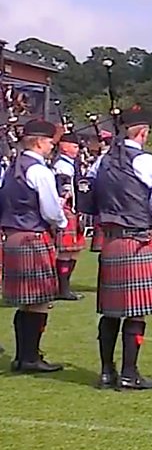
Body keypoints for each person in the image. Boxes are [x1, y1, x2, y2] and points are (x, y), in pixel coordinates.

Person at [91, 107, 152, 389]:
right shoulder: (150, 163)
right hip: (136, 241)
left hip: (110, 241)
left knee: (110, 311)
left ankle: (105, 372)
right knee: (136, 311)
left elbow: (89, 198)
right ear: (143, 133)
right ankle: (129, 373)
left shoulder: (101, 161)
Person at [1, 119, 69, 373]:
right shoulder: (39, 171)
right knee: (39, 300)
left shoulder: (12, 167)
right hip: (33, 236)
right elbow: (51, 210)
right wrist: (61, 221)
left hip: (13, 236)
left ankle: (22, 356)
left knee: (25, 302)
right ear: (40, 142)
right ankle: (30, 357)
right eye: (51, 143)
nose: (52, 147)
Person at [51, 130, 85, 301]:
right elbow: (64, 190)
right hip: (66, 209)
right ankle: (62, 289)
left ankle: (65, 287)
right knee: (65, 252)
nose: (77, 149)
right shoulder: (62, 165)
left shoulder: (72, 163)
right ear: (63, 147)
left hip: (74, 209)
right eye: (74, 145)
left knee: (74, 251)